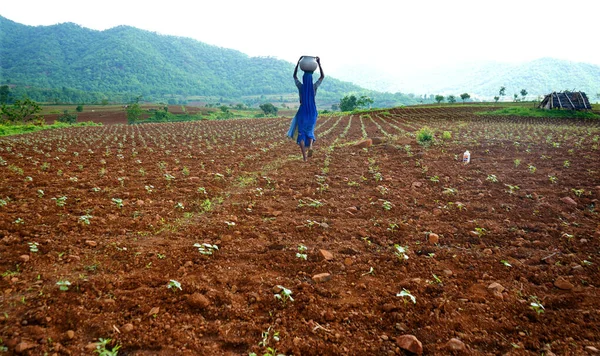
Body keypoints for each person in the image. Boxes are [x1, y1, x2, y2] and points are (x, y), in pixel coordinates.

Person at [287, 56, 324, 161]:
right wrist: (319, 63)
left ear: (304, 78)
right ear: (311, 78)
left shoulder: (301, 86)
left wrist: (298, 63)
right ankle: (311, 145)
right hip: (312, 111)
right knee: (310, 131)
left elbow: (294, 76)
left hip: (303, 111)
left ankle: (304, 158)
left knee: (301, 133)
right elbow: (322, 77)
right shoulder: (314, 87)